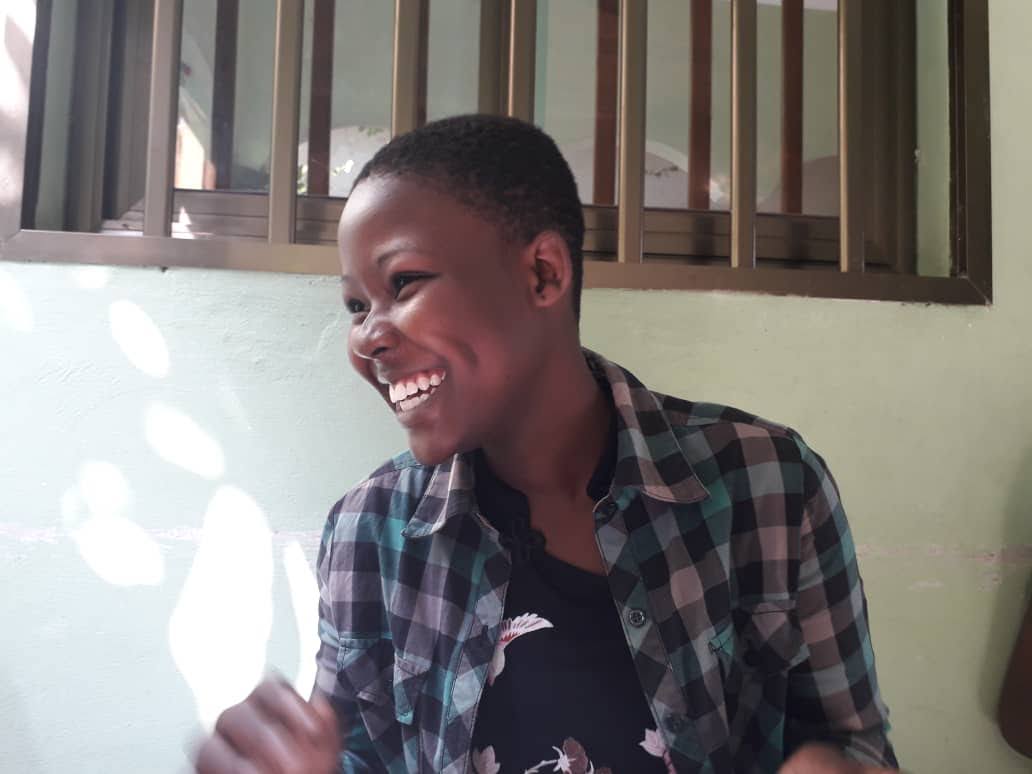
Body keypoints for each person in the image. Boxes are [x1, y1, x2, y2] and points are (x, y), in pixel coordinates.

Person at [193, 115, 897, 774]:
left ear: (543, 274)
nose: (367, 336)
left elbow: (854, 741)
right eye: (356, 305)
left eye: (403, 282)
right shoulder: (367, 532)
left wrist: (829, 764)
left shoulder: (767, 485)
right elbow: (360, 758)